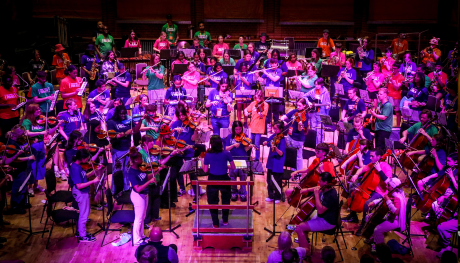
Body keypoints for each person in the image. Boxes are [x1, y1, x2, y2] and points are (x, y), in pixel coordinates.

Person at [342, 148, 392, 236]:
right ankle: (353, 216)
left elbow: (388, 182)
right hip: (369, 189)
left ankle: (363, 225)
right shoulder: (372, 164)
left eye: (372, 156)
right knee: (353, 190)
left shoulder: (386, 167)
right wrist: (356, 175)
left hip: (379, 193)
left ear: (379, 157)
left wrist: (379, 170)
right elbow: (362, 169)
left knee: (367, 204)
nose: (370, 158)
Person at [21, 104, 62, 195]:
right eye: (37, 110)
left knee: (40, 165)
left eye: (39, 109)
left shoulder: (41, 120)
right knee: (32, 166)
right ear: (32, 111)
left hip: (40, 144)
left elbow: (48, 131)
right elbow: (27, 133)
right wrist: (40, 132)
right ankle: (30, 187)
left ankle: (36, 185)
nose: (40, 111)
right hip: (32, 145)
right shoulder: (27, 121)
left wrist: (57, 126)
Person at [294, 172, 338, 249]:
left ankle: (305, 252)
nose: (318, 182)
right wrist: (305, 190)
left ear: (325, 182)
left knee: (299, 227)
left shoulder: (331, 195)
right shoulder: (326, 187)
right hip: (322, 216)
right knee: (304, 216)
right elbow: (317, 188)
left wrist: (317, 196)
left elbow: (320, 210)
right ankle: (305, 239)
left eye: (320, 181)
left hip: (327, 221)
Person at [127, 147, 161, 246]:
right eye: (141, 158)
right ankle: (136, 240)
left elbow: (146, 177)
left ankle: (141, 235)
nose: (142, 160)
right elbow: (137, 188)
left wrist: (156, 172)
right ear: (135, 160)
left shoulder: (140, 168)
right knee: (138, 219)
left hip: (145, 195)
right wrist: (149, 182)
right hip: (138, 196)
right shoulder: (131, 172)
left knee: (143, 217)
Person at [200, 135, 235, 227]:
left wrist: (201, 161)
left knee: (212, 201)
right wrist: (224, 166)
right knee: (226, 200)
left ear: (211, 144)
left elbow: (205, 170)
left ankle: (215, 223)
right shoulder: (227, 153)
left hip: (212, 179)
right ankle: (225, 221)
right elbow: (233, 167)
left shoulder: (207, 155)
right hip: (224, 178)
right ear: (221, 143)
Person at [69, 148, 101, 242]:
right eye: (87, 158)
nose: (87, 160)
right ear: (82, 158)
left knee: (85, 213)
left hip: (83, 192)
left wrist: (94, 170)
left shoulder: (78, 166)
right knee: (84, 214)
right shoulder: (75, 168)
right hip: (80, 193)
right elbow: (79, 185)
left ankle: (80, 232)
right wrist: (93, 181)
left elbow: (83, 176)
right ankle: (82, 236)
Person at [367, 178, 406, 253]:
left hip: (395, 220)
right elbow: (383, 199)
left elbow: (396, 212)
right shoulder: (393, 193)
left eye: (389, 185)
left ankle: (382, 253)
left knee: (378, 229)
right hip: (389, 216)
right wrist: (374, 202)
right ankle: (374, 243)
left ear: (394, 187)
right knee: (369, 217)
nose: (387, 187)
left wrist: (388, 200)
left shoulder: (397, 197)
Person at [107, 105, 141, 191]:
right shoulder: (111, 122)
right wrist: (126, 133)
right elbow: (113, 136)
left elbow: (136, 130)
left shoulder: (128, 120)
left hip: (127, 149)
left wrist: (141, 120)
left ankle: (126, 189)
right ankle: (116, 190)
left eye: (124, 114)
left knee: (127, 170)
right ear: (117, 113)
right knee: (118, 171)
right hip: (117, 150)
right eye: (121, 114)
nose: (123, 116)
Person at [2, 125, 34, 214]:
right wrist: (28, 158)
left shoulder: (17, 141)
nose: (24, 135)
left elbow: (20, 151)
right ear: (16, 134)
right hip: (17, 169)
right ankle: (16, 206)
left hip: (23, 167)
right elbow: (13, 159)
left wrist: (26, 148)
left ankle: (22, 203)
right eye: (22, 133)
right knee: (18, 187)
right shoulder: (10, 144)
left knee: (23, 186)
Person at [225, 121, 253, 202]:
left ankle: (243, 193)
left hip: (243, 159)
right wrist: (233, 145)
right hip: (232, 160)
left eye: (240, 129)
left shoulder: (245, 136)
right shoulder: (230, 137)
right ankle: (233, 193)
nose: (238, 131)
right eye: (236, 129)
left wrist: (249, 147)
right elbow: (226, 148)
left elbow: (245, 149)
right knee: (232, 177)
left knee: (243, 177)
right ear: (233, 129)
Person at [57, 98, 84, 180]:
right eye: (74, 104)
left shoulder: (79, 114)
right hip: (68, 138)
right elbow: (60, 129)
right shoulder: (64, 116)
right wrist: (67, 138)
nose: (76, 106)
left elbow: (82, 125)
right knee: (69, 153)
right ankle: (66, 168)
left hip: (78, 137)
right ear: (69, 106)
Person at [280, 98, 309, 171]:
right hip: (290, 136)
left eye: (300, 106)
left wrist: (300, 125)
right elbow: (284, 117)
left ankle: (298, 173)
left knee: (298, 157)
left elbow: (300, 129)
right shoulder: (295, 111)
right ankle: (293, 171)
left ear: (304, 106)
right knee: (292, 155)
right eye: (297, 105)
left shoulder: (306, 116)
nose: (298, 107)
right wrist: (283, 120)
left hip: (298, 139)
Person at [263, 121, 286, 203]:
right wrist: (265, 142)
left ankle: (277, 197)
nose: (274, 130)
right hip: (271, 162)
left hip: (277, 163)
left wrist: (275, 148)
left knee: (277, 181)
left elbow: (281, 153)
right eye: (274, 128)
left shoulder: (282, 140)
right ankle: (271, 196)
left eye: (276, 129)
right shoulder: (273, 136)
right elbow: (268, 142)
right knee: (269, 180)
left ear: (281, 129)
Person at [304, 78, 331, 144]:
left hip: (321, 113)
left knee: (320, 131)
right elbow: (304, 96)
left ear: (321, 84)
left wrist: (328, 106)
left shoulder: (326, 92)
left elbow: (329, 103)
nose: (316, 86)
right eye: (315, 85)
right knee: (313, 130)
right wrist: (309, 102)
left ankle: (320, 145)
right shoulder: (313, 90)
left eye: (318, 85)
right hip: (313, 113)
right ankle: (314, 145)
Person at [244, 90, 268, 162]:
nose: (257, 100)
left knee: (257, 144)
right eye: (256, 98)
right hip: (252, 126)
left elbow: (263, 114)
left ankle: (257, 159)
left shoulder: (266, 105)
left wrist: (260, 113)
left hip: (259, 127)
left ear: (262, 97)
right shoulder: (253, 103)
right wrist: (246, 112)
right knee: (249, 143)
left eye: (259, 98)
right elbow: (246, 110)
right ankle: (248, 157)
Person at [0, 75, 19, 143]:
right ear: (3, 82)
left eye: (11, 81)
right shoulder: (0, 90)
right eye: (8, 81)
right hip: (5, 117)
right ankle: (4, 150)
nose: (10, 83)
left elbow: (17, 98)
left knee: (15, 133)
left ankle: (15, 148)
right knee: (6, 135)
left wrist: (19, 104)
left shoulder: (14, 89)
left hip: (15, 115)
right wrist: (8, 105)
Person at [387, 62, 405, 126]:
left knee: (397, 112)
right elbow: (386, 85)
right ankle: (388, 125)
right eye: (392, 68)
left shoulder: (401, 77)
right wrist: (386, 81)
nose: (393, 70)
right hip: (389, 95)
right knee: (388, 112)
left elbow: (397, 87)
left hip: (396, 97)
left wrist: (392, 81)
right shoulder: (390, 75)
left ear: (398, 69)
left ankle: (397, 126)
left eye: (394, 68)